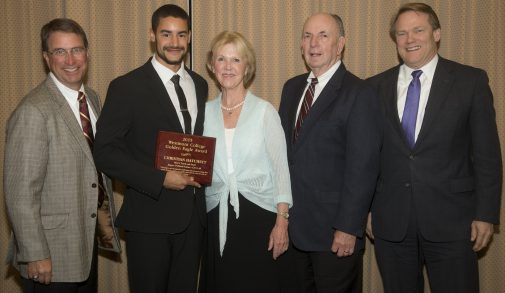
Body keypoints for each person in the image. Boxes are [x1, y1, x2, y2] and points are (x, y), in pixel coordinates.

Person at [366, 3, 502, 293]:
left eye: (418, 30)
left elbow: (487, 155)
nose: (409, 39)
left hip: (454, 222)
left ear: (436, 33)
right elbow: (367, 159)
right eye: (401, 33)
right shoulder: (374, 88)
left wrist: (486, 213)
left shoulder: (470, 81)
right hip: (392, 223)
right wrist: (365, 210)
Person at [93, 4, 208, 293]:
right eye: (166, 34)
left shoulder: (201, 84)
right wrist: (160, 179)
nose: (174, 42)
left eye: (181, 35)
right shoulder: (126, 86)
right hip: (149, 220)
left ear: (189, 37)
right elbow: (104, 152)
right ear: (152, 35)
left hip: (193, 222)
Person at [4, 18, 120, 293]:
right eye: (59, 51)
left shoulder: (91, 98)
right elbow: (20, 194)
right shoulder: (33, 110)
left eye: (76, 50)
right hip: (49, 257)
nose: (70, 59)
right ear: (46, 58)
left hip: (83, 245)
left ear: (87, 53)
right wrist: (35, 253)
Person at [278, 13, 382, 293]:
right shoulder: (291, 88)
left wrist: (349, 227)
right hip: (293, 230)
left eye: (323, 35)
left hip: (335, 234)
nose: (314, 43)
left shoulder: (360, 93)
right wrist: (281, 217)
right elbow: (285, 157)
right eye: (308, 36)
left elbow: (363, 167)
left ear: (340, 44)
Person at [200, 31, 297, 293]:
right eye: (221, 59)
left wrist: (282, 221)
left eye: (236, 59)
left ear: (247, 66)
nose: (228, 67)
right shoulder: (204, 114)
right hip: (216, 215)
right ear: (212, 66)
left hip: (260, 219)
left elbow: (281, 170)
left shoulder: (265, 112)